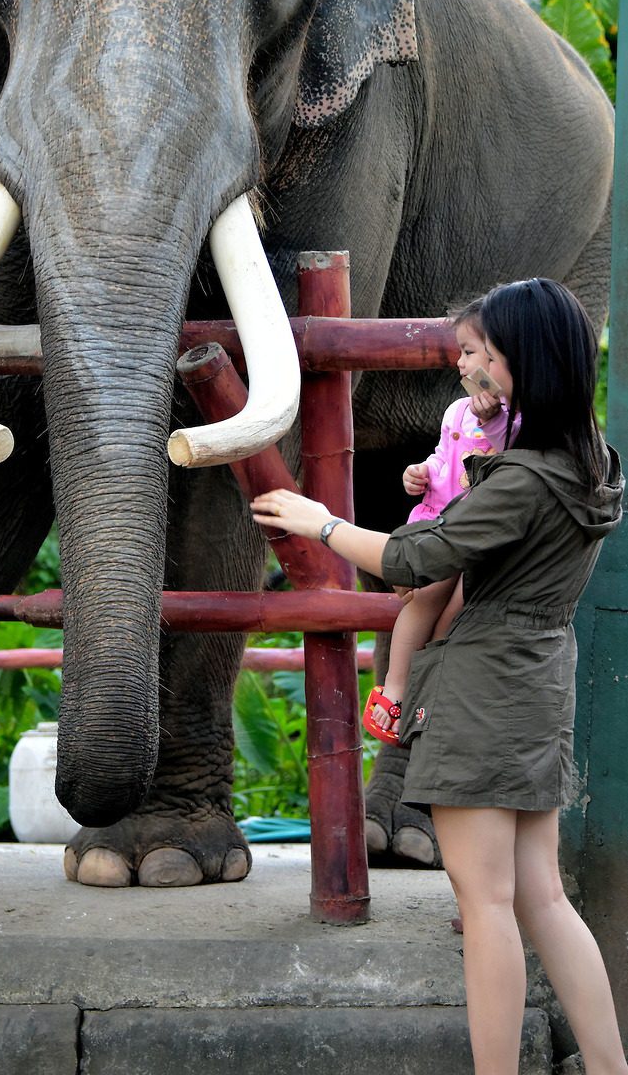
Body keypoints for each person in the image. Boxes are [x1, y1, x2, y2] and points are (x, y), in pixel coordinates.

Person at [251, 278, 627, 1075]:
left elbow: (412, 559)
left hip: (484, 686)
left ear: (518, 361)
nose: (465, 370)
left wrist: (317, 521)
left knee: (484, 903)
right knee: (539, 898)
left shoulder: (523, 479)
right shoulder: (586, 461)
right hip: (536, 679)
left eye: (477, 355)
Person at [364, 298, 519, 744]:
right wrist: (422, 473)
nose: (460, 361)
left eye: (470, 352)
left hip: (478, 533)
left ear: (500, 355)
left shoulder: (519, 417)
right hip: (440, 525)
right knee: (426, 598)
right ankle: (395, 688)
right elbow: (444, 458)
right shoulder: (456, 411)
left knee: (455, 612)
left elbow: (511, 463)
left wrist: (493, 422)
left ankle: (430, 688)